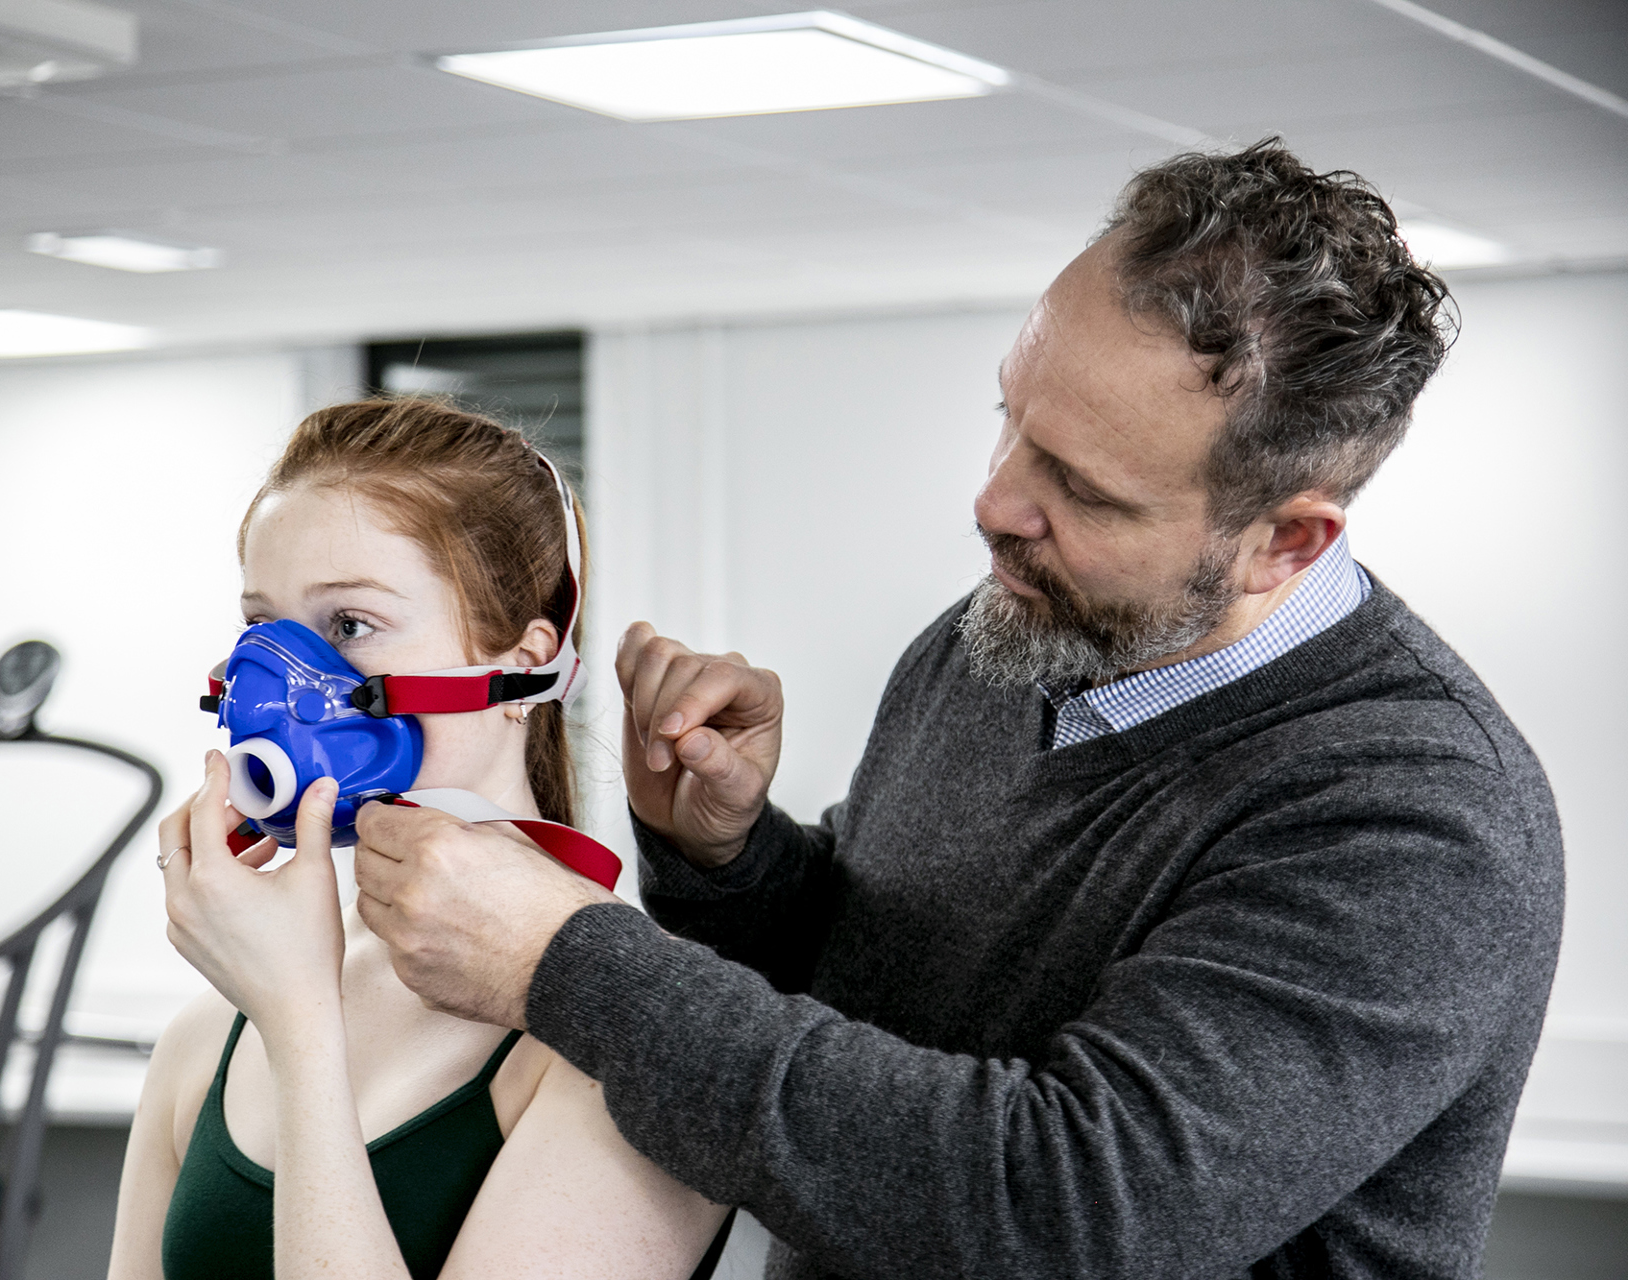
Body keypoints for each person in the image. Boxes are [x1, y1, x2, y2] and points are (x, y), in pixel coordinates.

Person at [350, 140, 1566, 1278]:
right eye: (1011, 419)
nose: (994, 502)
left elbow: (1061, 1203)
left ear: (1284, 540)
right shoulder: (1008, 632)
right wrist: (732, 857)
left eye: (1080, 487)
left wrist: (568, 961)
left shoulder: (1419, 820)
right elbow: (867, 1013)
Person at [106, 400, 731, 1280]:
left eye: (349, 625)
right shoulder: (207, 1037)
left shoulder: (638, 1046)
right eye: (261, 628)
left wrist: (300, 1026)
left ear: (524, 662)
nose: (277, 682)